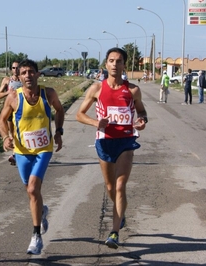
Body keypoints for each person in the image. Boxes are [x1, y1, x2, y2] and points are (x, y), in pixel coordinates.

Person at [76, 47, 147, 249]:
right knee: (109, 187)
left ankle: (114, 232)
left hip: (125, 142)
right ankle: (120, 211)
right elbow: (79, 114)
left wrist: (142, 121)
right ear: (106, 64)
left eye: (119, 61)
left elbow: (142, 112)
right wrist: (95, 123)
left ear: (124, 65)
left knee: (119, 185)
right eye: (111, 60)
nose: (115, 64)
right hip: (104, 141)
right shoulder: (97, 89)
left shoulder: (133, 90)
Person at [0, 59, 64, 255]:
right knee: (30, 191)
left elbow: (59, 110)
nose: (27, 76)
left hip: (43, 149)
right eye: (23, 72)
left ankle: (36, 235)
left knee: (34, 188)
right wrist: (5, 137)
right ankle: (41, 211)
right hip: (22, 151)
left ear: (38, 74)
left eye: (31, 72)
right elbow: (1, 120)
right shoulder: (13, 97)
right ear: (19, 76)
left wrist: (59, 131)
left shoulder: (48, 93)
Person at [0, 61, 22, 165]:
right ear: (11, 69)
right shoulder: (7, 80)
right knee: (12, 133)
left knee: (19, 132)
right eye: (13, 68)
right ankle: (15, 154)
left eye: (17, 68)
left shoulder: (23, 80)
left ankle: (18, 154)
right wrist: (8, 92)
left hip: (20, 109)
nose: (15, 70)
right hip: (9, 110)